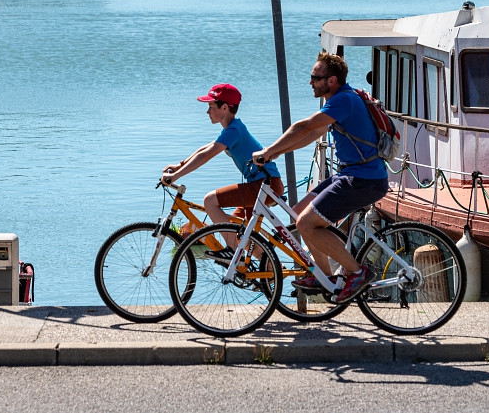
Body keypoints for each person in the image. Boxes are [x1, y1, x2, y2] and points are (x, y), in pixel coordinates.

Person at [252, 51, 388, 304]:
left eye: (316, 77)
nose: (311, 82)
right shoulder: (340, 101)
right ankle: (324, 275)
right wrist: (277, 153)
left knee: (306, 224)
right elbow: (312, 135)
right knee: (298, 212)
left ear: (332, 80)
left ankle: (358, 273)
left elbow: (303, 127)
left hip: (363, 179)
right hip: (350, 174)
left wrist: (268, 150)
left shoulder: (343, 101)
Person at [161, 83, 284, 256]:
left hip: (264, 186)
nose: (207, 112)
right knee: (240, 231)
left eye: (211, 107)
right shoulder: (233, 128)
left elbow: (207, 155)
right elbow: (207, 147)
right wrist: (179, 166)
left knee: (210, 201)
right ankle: (266, 274)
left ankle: (232, 252)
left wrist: (176, 176)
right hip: (262, 185)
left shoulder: (234, 130)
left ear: (224, 107)